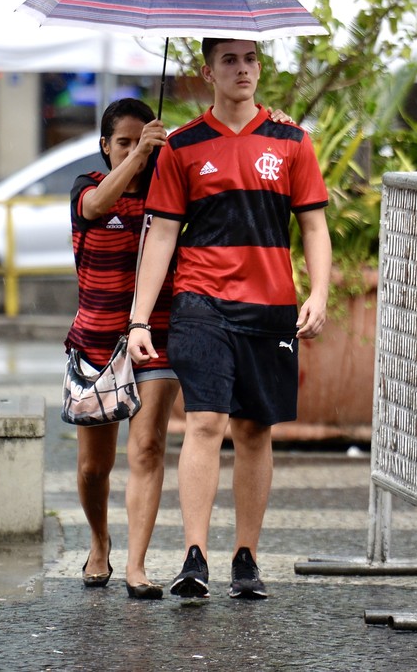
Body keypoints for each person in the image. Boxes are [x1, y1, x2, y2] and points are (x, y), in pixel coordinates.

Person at [127, 38, 332, 600]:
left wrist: (319, 292)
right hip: (201, 303)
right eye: (230, 61)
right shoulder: (183, 146)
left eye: (251, 59)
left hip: (269, 306)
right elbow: (163, 234)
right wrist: (140, 320)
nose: (243, 70)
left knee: (253, 429)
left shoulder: (292, 141)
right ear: (208, 71)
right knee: (205, 422)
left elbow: (313, 225)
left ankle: (247, 556)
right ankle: (195, 555)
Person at [65, 98, 179, 600]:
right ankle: (98, 541)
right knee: (94, 467)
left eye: (142, 140)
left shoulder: (167, 194)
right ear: (105, 146)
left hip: (156, 338)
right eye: (124, 142)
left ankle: (136, 564)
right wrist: (139, 156)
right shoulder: (88, 187)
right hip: (94, 341)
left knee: (149, 448)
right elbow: (96, 208)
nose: (134, 150)